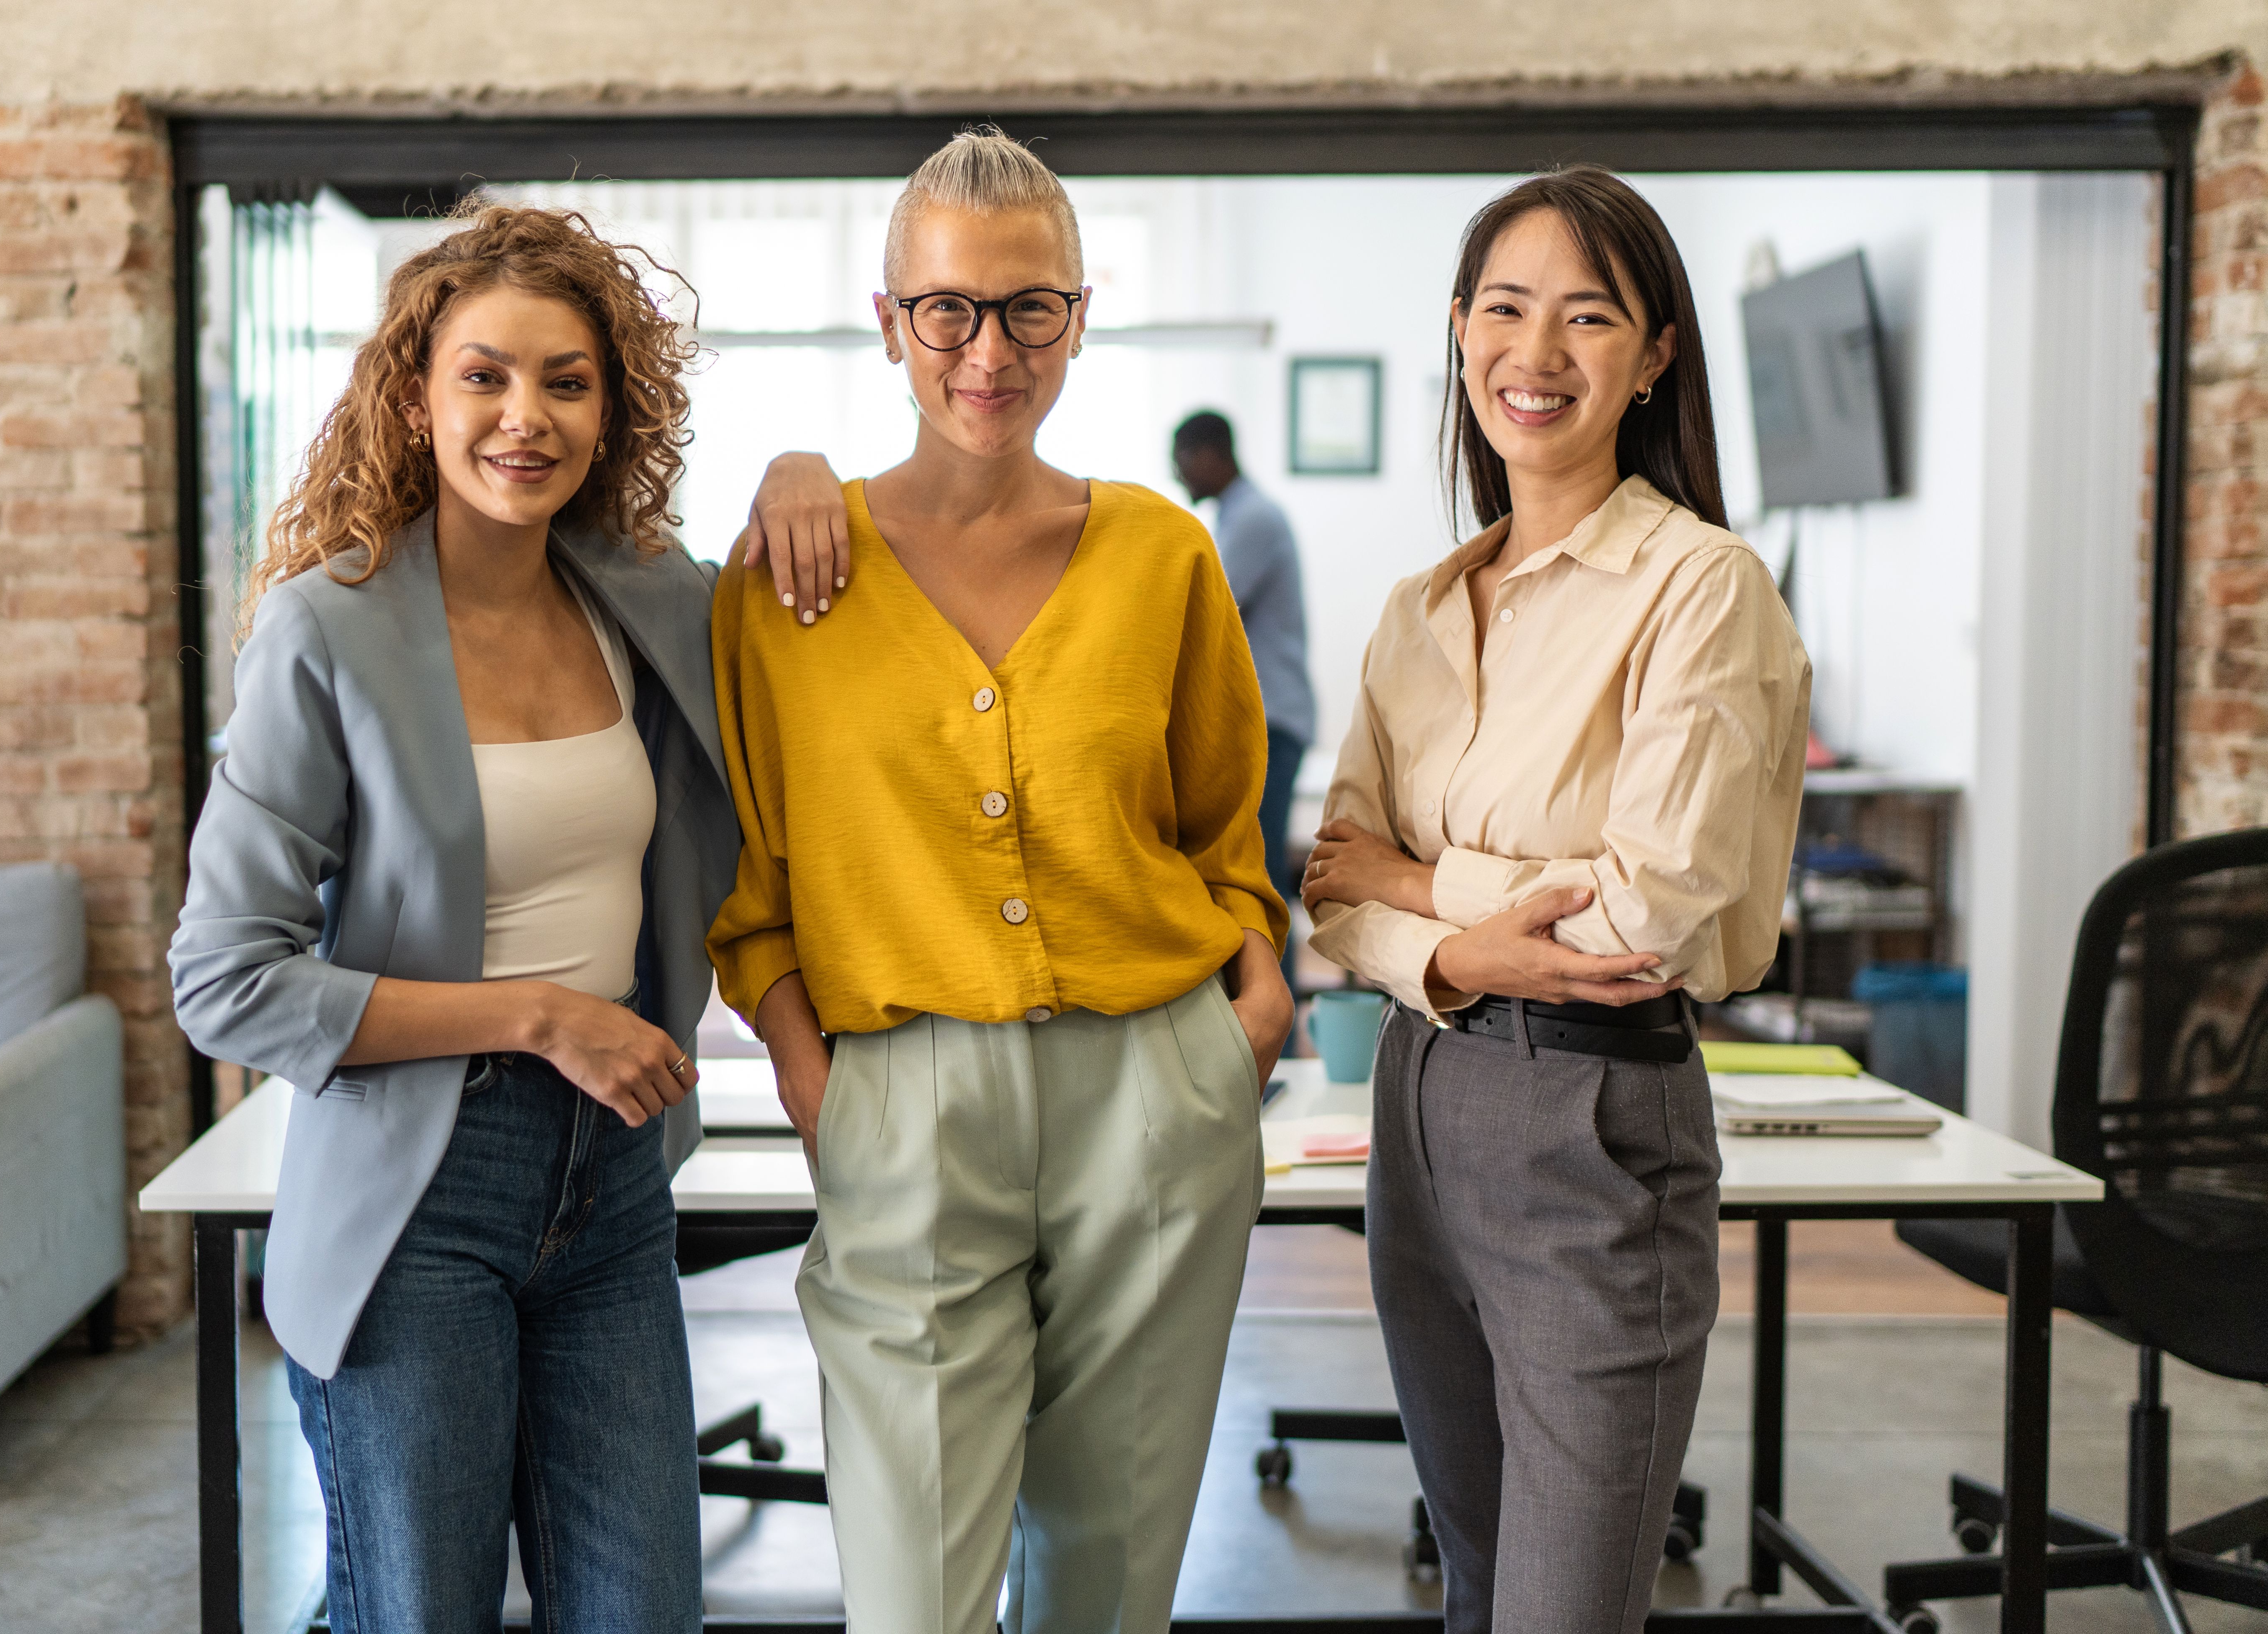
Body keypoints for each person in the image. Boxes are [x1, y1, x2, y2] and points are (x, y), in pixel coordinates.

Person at [708, 128, 1296, 1634]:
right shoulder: (783, 578)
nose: (989, 348)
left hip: (1157, 1090)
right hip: (904, 1095)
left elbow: (1231, 826)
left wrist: (1253, 1008)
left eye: (1030, 306)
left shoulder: (1164, 555)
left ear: (1081, 316)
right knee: (912, 1595)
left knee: (1108, 1590)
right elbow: (746, 870)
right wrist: (804, 1066)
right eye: (949, 308)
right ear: (890, 318)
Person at [169, 205, 745, 1634]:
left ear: (614, 411)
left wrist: (799, 474)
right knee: (422, 1612)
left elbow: (833, 626)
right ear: (417, 397)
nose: (524, 417)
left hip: (610, 1187)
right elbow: (224, 981)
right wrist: (542, 1017)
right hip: (418, 1194)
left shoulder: (657, 606)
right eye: (484, 375)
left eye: (567, 380)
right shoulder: (329, 626)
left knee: (645, 1613)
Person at [1302, 167, 1811, 1634]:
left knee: (1563, 1613)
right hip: (1420, 1109)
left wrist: (1420, 888)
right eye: (1506, 310)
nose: (1538, 353)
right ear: (1460, 334)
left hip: (1592, 1123)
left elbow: (1638, 922)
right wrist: (1460, 934)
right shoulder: (1420, 607)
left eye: (1589, 317)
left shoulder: (1701, 590)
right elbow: (1334, 888)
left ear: (1655, 357)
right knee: (1474, 1585)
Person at [1173, 408, 1315, 917]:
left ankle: (1279, 996)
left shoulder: (1252, 519)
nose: (1177, 474)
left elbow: (1205, 609)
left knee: (1257, 873)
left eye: (1181, 461)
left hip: (1270, 720)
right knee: (1255, 868)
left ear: (1210, 456)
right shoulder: (1240, 516)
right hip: (1272, 717)